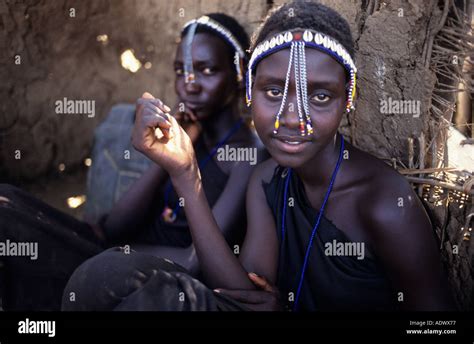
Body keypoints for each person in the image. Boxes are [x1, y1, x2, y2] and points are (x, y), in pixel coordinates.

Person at [63, 1, 454, 311]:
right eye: (272, 92)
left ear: (347, 99)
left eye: (319, 96)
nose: (290, 119)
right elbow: (241, 294)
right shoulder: (266, 181)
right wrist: (186, 175)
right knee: (105, 275)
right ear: (249, 92)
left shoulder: (385, 202)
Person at [0, 13, 260, 310]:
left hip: (145, 276)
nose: (190, 85)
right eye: (180, 70)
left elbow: (194, 261)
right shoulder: (188, 135)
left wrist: (113, 251)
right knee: (7, 203)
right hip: (112, 253)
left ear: (240, 74)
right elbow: (115, 227)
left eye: (207, 70)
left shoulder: (247, 158)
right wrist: (163, 160)